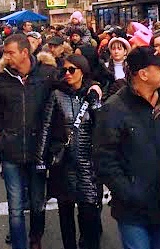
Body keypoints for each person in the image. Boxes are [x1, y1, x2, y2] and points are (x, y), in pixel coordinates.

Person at [93, 46, 160, 249]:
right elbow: (104, 158)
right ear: (143, 74)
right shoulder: (115, 108)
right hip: (132, 209)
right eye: (159, 67)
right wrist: (128, 191)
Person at [0, 34, 57, 249]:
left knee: (37, 203)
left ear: (25, 52)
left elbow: (67, 92)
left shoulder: (47, 74)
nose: (6, 56)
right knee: (15, 207)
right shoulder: (0, 79)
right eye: (5, 52)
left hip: (38, 151)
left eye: (10, 52)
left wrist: (93, 86)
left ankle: (35, 239)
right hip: (10, 150)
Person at [37, 54, 102, 249]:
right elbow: (46, 127)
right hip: (63, 164)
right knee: (65, 216)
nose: (67, 74)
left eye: (72, 70)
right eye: (64, 70)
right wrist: (40, 160)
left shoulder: (92, 93)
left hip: (87, 164)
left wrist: (95, 101)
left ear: (83, 71)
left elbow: (102, 126)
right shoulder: (56, 95)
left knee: (89, 215)